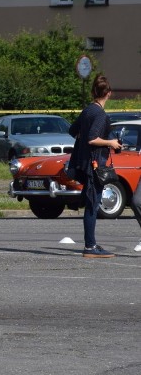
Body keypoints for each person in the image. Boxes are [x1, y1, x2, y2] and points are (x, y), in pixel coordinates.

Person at [67, 75, 121, 258]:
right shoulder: (99, 114)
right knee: (92, 205)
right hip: (94, 165)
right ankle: (90, 247)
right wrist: (111, 143)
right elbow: (93, 138)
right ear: (108, 93)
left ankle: (90, 243)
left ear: (93, 92)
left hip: (84, 162)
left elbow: (72, 131)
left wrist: (83, 144)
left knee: (91, 201)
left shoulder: (88, 110)